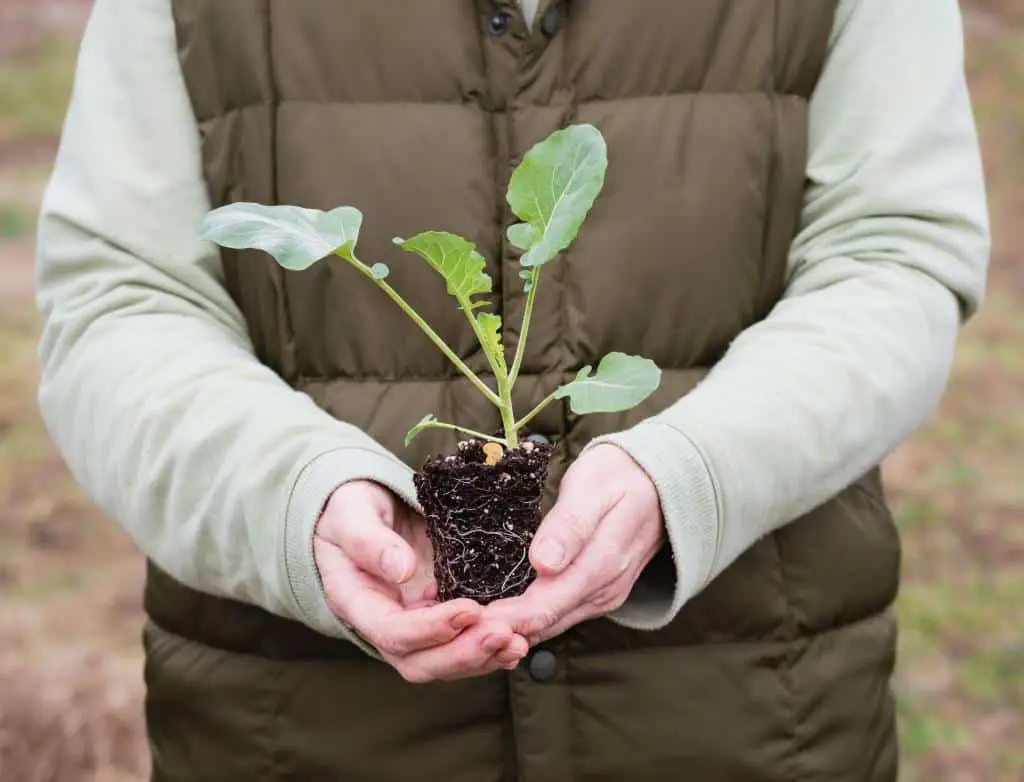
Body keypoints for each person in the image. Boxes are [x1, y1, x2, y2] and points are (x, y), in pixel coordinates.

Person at [34, 0, 989, 779]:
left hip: (755, 714)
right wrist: (292, 498)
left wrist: (692, 473)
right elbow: (121, 300)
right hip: (300, 730)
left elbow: (893, 253)